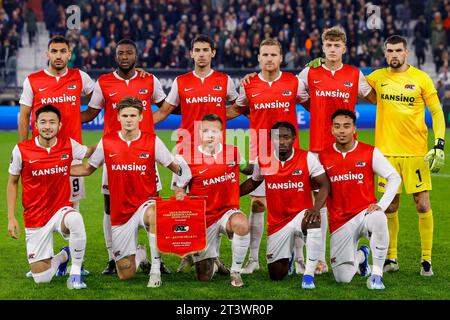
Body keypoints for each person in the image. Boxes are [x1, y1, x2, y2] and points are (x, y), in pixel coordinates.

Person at [70, 97, 188, 288]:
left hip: (146, 204)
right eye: (125, 115)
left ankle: (155, 270)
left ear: (141, 117)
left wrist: (184, 183)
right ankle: (140, 254)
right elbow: (87, 169)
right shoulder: (107, 141)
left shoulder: (153, 141)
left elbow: (176, 167)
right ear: (117, 117)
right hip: (121, 213)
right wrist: (58, 168)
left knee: (155, 214)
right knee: (126, 273)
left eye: (133, 115)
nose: (129, 119)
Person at [152, 34, 239, 273]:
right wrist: (140, 126)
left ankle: (213, 255)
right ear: (191, 54)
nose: (201, 54)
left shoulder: (224, 80)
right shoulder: (181, 81)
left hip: (215, 150)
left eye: (205, 50)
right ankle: (190, 251)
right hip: (186, 149)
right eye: (197, 50)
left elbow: (237, 105)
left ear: (213, 53)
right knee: (185, 201)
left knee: (214, 200)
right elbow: (166, 110)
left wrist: (221, 118)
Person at [82, 38, 169, 275]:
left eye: (129, 53)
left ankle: (157, 258)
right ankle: (113, 257)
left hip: (144, 151)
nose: (124, 57)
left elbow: (167, 105)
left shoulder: (149, 80)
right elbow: (91, 113)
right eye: (121, 53)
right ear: (115, 56)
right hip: (113, 153)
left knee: (153, 201)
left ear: (136, 56)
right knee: (110, 205)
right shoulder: (104, 82)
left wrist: (150, 123)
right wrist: (63, 119)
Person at [295, 27, 376, 274]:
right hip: (319, 148)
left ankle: (356, 253)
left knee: (344, 203)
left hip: (347, 149)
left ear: (344, 48)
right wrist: (315, 107)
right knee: (320, 203)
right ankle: (318, 259)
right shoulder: (310, 71)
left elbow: (374, 97)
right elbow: (295, 92)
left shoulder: (355, 74)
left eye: (336, 45)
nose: (332, 50)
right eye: (328, 45)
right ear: (323, 47)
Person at [226, 38, 309, 275]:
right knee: (259, 203)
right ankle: (253, 259)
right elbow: (237, 109)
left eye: (274, 55)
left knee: (294, 206)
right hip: (260, 152)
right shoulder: (249, 84)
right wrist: (206, 116)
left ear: (281, 58)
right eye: (265, 55)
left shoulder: (293, 82)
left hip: (289, 155)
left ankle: (300, 259)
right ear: (259, 58)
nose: (269, 58)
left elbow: (312, 104)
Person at [366, 35, 446, 276]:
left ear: (407, 52)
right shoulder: (377, 77)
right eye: (389, 51)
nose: (394, 55)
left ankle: (426, 260)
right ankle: (391, 257)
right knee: (390, 207)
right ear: (385, 53)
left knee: (422, 204)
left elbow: (437, 111)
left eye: (398, 50)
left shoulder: (420, 78)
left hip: (415, 153)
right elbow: (351, 84)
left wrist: (439, 143)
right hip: (386, 155)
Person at [7, 105, 95, 289]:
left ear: (59, 125)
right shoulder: (21, 150)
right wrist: (11, 217)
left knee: (76, 218)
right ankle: (63, 256)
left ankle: (76, 274)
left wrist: (110, 142)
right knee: (42, 278)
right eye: (43, 122)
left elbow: (87, 152)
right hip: (35, 216)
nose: (47, 126)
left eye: (52, 122)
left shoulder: (68, 144)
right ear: (36, 125)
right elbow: (13, 182)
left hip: (60, 210)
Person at [240, 121, 329, 289]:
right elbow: (253, 182)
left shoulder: (307, 157)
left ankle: (308, 274)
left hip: (301, 216)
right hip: (277, 224)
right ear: (270, 139)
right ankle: (286, 259)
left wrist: (316, 208)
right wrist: (231, 195)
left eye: (286, 137)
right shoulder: (264, 160)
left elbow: (324, 184)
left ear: (294, 138)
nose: (281, 141)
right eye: (276, 137)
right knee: (276, 275)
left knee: (314, 220)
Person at [319, 109, 401, 289]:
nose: (342, 131)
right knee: (342, 278)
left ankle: (376, 275)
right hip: (340, 221)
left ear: (354, 129)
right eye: (337, 126)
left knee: (380, 218)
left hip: (365, 213)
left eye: (346, 126)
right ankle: (362, 255)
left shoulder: (369, 152)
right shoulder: (323, 156)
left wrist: (381, 205)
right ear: (331, 129)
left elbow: (395, 177)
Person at [18, 35, 95, 212]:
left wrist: (79, 117)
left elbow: (100, 100)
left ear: (69, 54)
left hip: (72, 152)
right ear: (47, 54)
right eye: (54, 51)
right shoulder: (33, 80)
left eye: (62, 51)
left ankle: (70, 240)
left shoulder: (80, 77)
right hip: (42, 153)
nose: (58, 56)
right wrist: (24, 151)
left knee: (73, 207)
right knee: (43, 205)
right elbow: (24, 117)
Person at [172, 114, 250, 287]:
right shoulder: (187, 158)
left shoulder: (234, 152)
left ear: (222, 133)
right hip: (204, 218)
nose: (210, 135)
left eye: (214, 131)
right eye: (206, 130)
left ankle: (236, 272)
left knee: (242, 224)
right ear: (199, 133)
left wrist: (264, 163)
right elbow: (179, 187)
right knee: (204, 277)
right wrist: (180, 195)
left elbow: (248, 169)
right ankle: (214, 262)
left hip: (227, 211)